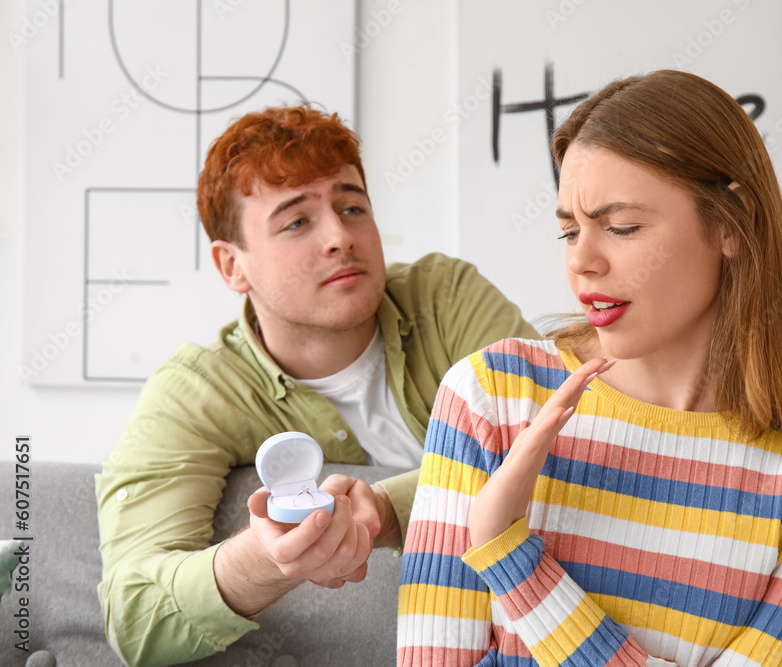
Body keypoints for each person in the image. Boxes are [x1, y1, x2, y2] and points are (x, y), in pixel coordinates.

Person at [398, 70, 782, 667]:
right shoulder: (491, 397)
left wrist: (510, 556)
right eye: (568, 231)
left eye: (621, 227)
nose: (582, 261)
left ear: (729, 225)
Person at [95, 104, 538, 667]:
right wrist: (270, 556)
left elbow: (568, 448)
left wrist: (383, 507)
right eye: (297, 221)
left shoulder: (446, 297)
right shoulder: (196, 393)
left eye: (353, 207)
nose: (339, 237)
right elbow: (134, 617)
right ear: (232, 266)